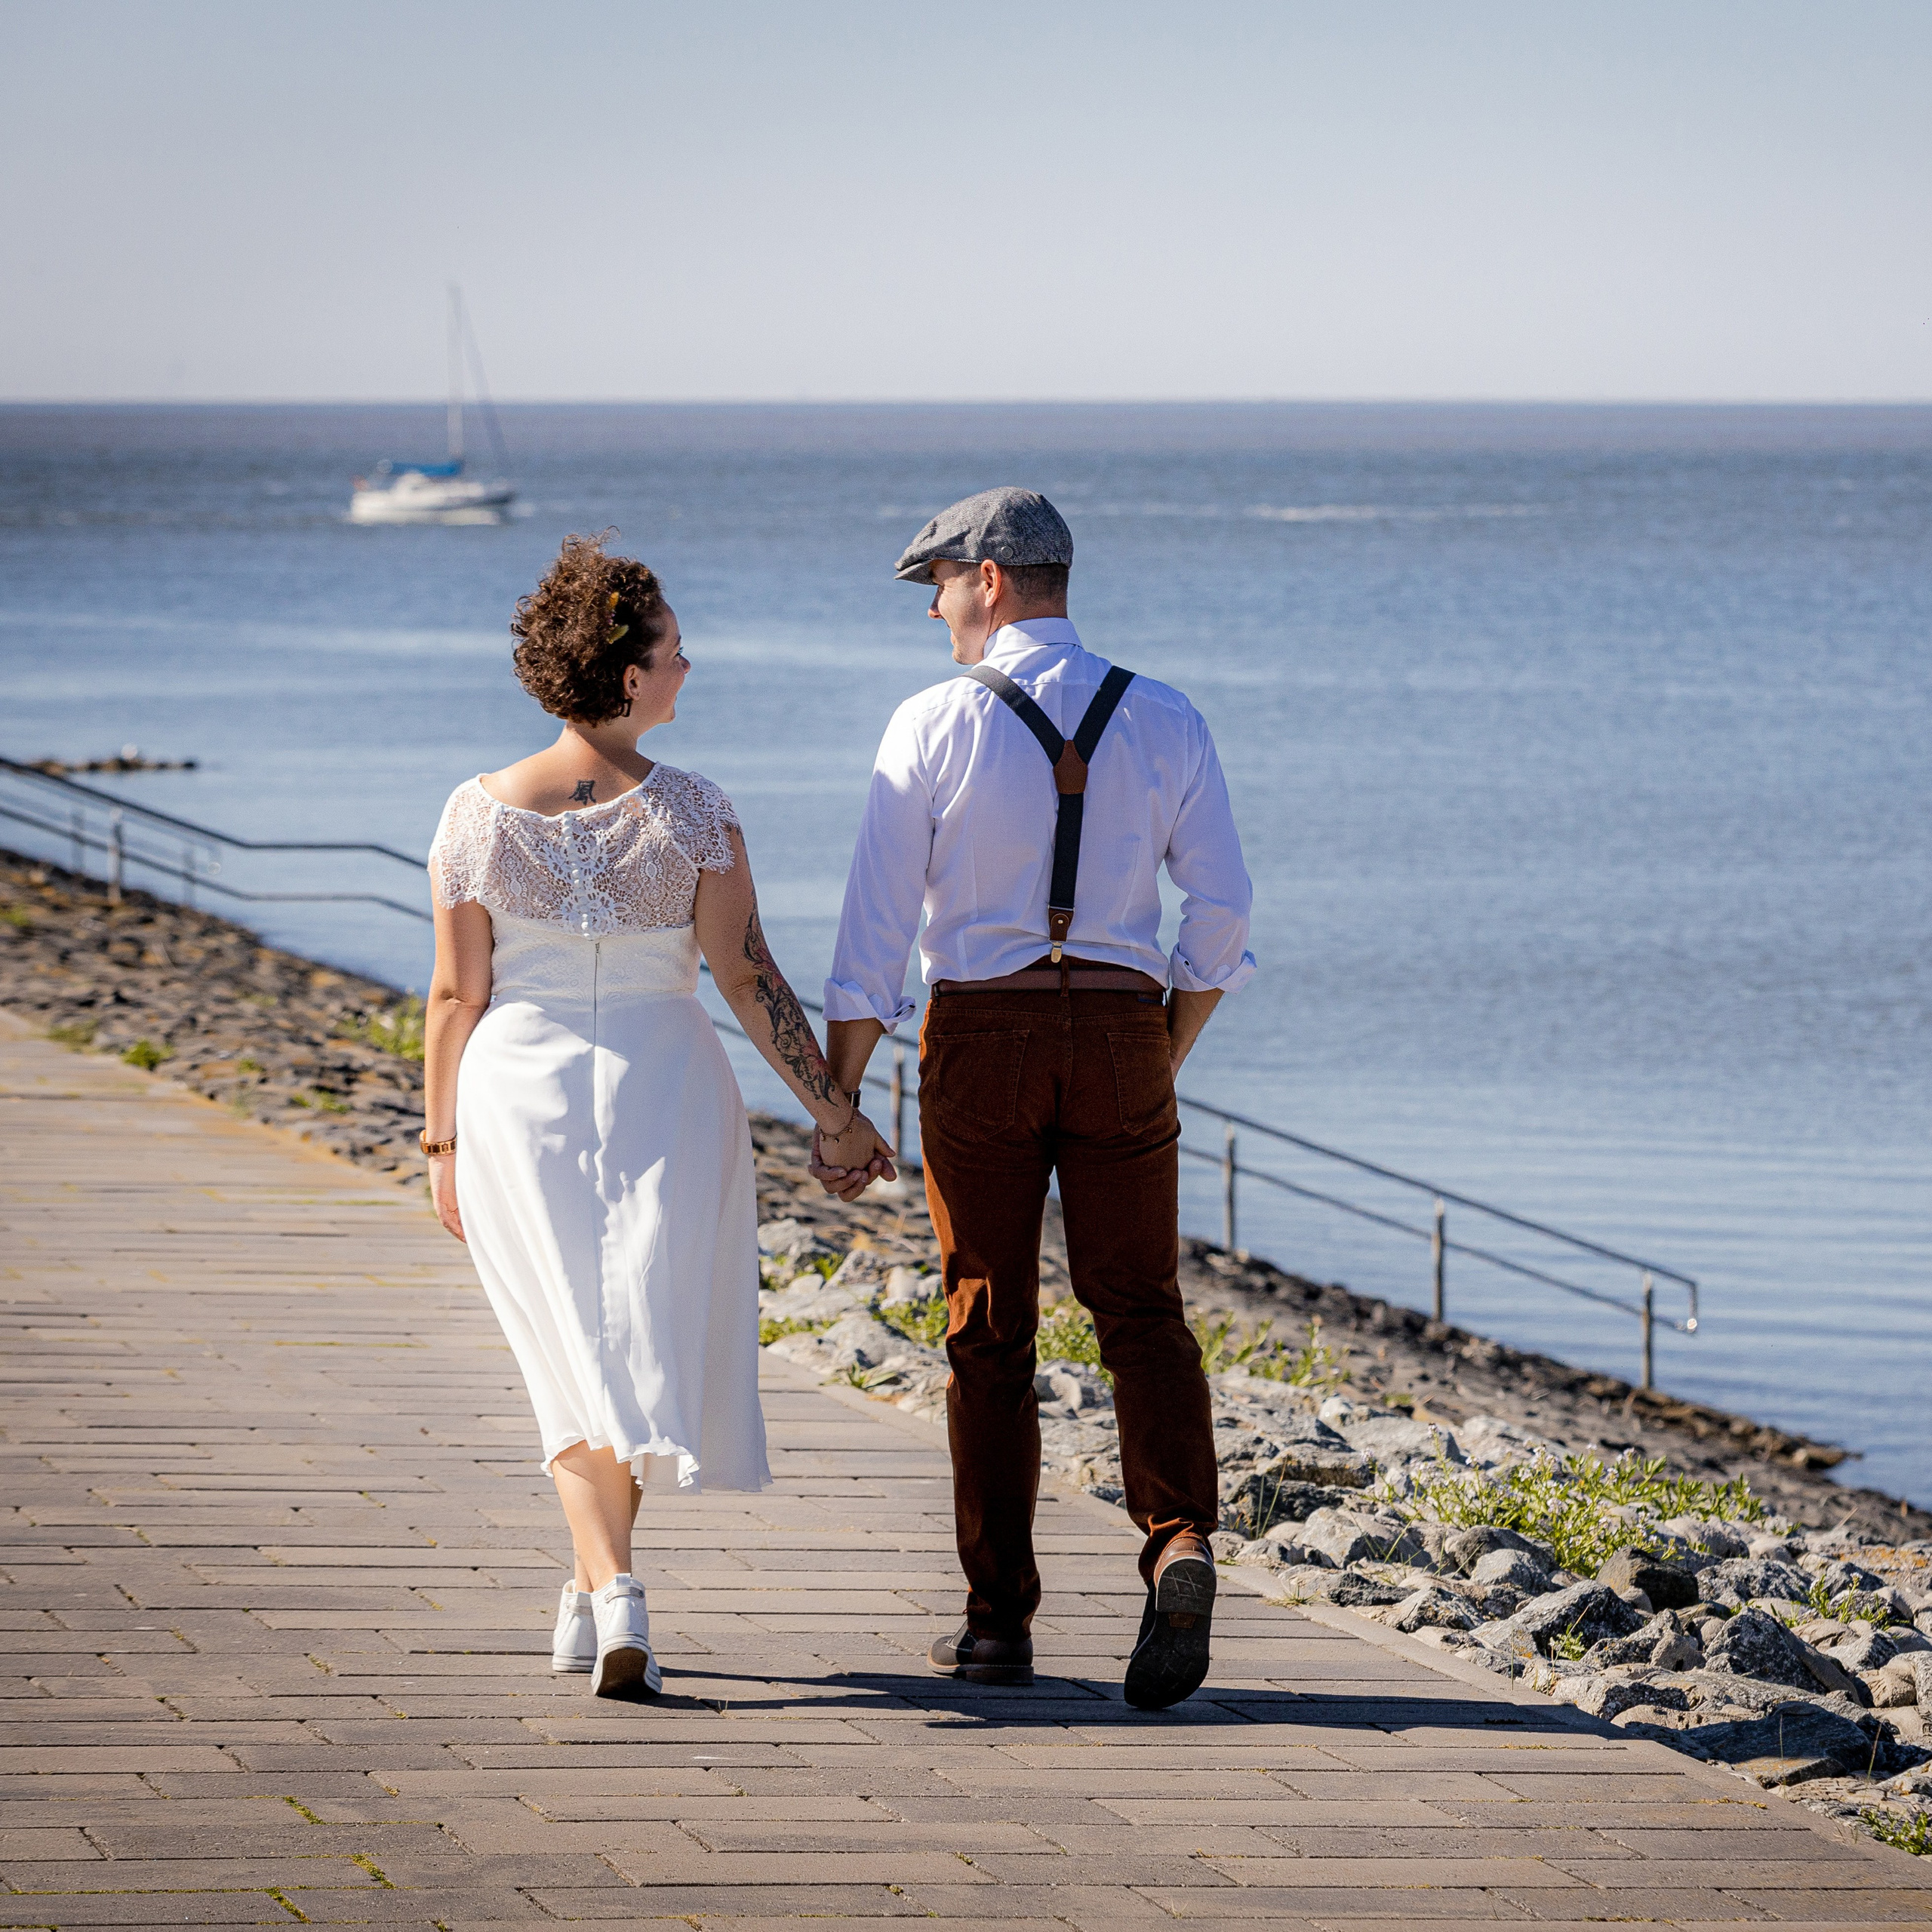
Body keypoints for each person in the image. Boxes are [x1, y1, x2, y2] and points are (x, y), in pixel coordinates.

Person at [422, 531, 895, 1702]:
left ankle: (599, 1587)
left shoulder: (476, 814)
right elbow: (749, 980)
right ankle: (614, 1584)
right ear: (627, 676)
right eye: (677, 652)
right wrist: (835, 1116)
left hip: (513, 1093)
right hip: (667, 1089)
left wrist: (439, 1141)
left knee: (572, 1344)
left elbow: (454, 994)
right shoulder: (694, 813)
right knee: (628, 1331)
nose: (691, 666)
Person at [814, 488, 1256, 1710]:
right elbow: (1219, 922)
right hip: (1121, 1023)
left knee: (988, 1328)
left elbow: (873, 938)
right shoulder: (1166, 716)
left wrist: (842, 1100)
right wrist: (1159, 1049)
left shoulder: (932, 723)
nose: (938, 610)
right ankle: (1177, 1542)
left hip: (985, 1031)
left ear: (993, 579)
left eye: (942, 586)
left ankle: (998, 1623)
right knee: (1141, 1312)